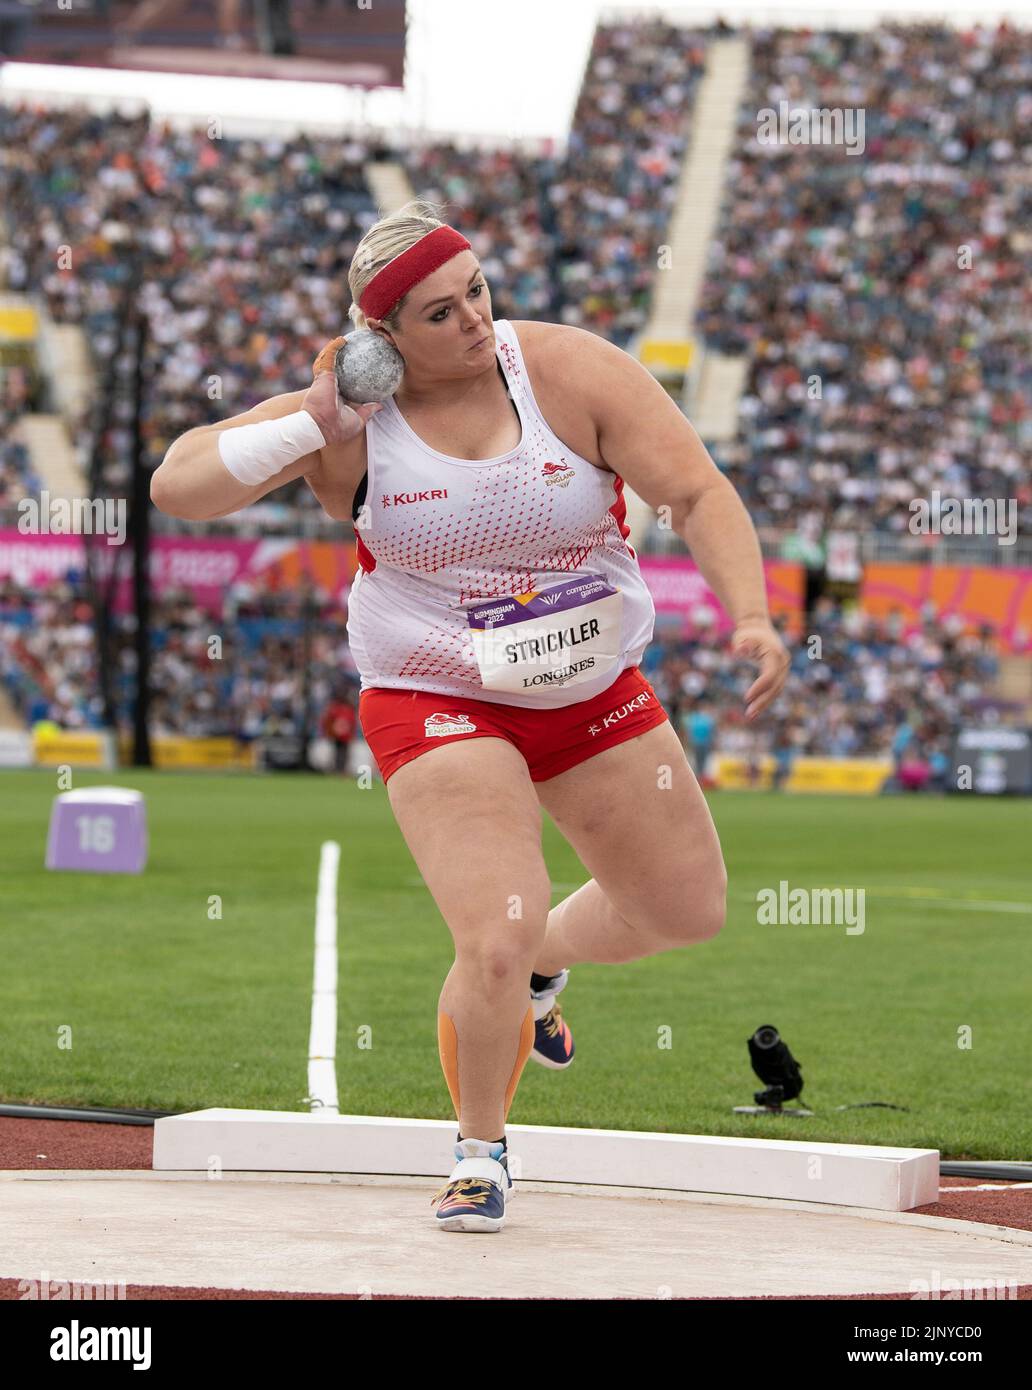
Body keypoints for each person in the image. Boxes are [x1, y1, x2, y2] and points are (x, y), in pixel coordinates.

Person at [150, 199, 790, 1233]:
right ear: (384, 337)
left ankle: (546, 966)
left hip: (590, 687)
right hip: (434, 691)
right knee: (493, 929)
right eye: (441, 315)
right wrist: (317, 420)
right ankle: (480, 1150)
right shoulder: (353, 429)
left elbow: (698, 492)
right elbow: (176, 485)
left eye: (478, 293)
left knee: (684, 909)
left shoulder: (571, 372)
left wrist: (752, 618)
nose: (475, 323)